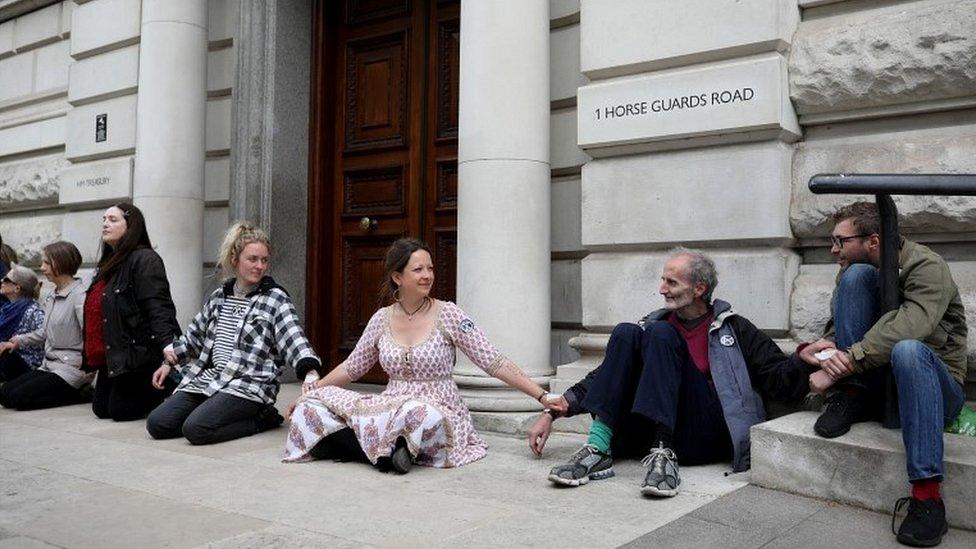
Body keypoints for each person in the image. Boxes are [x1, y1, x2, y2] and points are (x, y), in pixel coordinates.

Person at [530, 248, 813, 496]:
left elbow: (778, 377)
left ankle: (665, 451)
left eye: (671, 282)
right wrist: (554, 410)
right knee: (627, 332)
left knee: (660, 334)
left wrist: (803, 358)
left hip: (701, 433)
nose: (662, 289)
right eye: (663, 280)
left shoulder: (733, 328)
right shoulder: (653, 325)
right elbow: (607, 375)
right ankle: (598, 447)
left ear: (699, 289)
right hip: (647, 433)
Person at [284, 238, 566, 473]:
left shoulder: (449, 314)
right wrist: (311, 394)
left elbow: (493, 361)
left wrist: (541, 395)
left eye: (430, 268)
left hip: (435, 408)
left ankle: (347, 444)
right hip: (390, 406)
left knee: (418, 414)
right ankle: (390, 452)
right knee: (314, 407)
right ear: (398, 277)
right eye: (418, 269)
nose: (428, 275)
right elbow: (353, 367)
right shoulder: (381, 319)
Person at [798, 202, 967, 547]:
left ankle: (927, 499)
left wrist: (845, 362)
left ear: (873, 240)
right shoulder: (855, 269)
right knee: (857, 276)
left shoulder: (926, 265)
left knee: (907, 349)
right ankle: (854, 395)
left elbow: (912, 324)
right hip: (880, 380)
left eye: (840, 241)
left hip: (935, 387)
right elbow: (845, 325)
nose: (833, 250)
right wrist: (821, 349)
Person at [146, 223, 320, 445]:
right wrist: (168, 362)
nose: (259, 266)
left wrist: (310, 371)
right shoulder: (219, 297)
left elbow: (294, 338)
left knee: (196, 429)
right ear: (235, 259)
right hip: (213, 378)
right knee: (158, 424)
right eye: (253, 259)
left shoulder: (275, 298)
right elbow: (193, 337)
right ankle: (212, 409)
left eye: (264, 260)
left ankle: (261, 419)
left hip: (249, 384)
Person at [87, 203, 180, 421]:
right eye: (104, 219)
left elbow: (158, 306)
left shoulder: (145, 259)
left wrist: (168, 346)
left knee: (120, 412)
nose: (105, 224)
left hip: (139, 355)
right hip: (116, 354)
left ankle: (171, 385)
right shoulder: (110, 263)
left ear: (131, 226)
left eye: (112, 220)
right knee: (101, 409)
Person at [0, 242, 93, 409]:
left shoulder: (80, 296)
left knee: (19, 399)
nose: (42, 267)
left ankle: (81, 394)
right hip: (49, 365)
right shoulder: (52, 295)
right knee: (5, 394)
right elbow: (45, 331)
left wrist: (90, 366)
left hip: (70, 369)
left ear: (61, 263)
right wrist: (17, 341)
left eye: (46, 263)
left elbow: (90, 333)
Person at [0, 265, 45, 381]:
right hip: (9, 361)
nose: (2, 281)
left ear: (17, 288)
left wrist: (21, 340)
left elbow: (47, 334)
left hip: (28, 365)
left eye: (6, 279)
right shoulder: (7, 309)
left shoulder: (33, 311)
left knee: (5, 349)